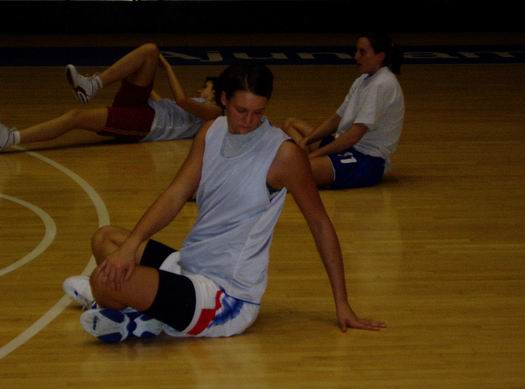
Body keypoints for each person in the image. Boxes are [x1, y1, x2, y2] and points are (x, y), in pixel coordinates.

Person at [63, 62, 386, 343]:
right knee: (106, 239)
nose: (248, 121)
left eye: (258, 112)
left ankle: (127, 308)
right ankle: (146, 316)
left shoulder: (284, 155)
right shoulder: (210, 132)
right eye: (241, 110)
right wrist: (131, 246)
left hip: (224, 297)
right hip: (189, 265)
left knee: (104, 281)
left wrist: (342, 303)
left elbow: (320, 224)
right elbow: (175, 195)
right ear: (223, 100)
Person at [0, 43, 223, 151]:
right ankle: (92, 85)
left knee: (75, 117)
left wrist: (166, 67)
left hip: (145, 123)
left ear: (217, 93)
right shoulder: (201, 105)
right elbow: (166, 103)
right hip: (146, 107)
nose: (200, 91)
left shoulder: (214, 113)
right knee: (150, 51)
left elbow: (182, 100)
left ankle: (11, 138)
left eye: (206, 87)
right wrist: (139, 73)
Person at [282, 32, 405, 189]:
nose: (356, 57)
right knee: (291, 124)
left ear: (380, 56)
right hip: (346, 147)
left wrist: (313, 155)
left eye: (362, 52)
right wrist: (306, 141)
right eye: (357, 51)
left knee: (294, 171)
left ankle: (305, 165)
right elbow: (336, 119)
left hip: (365, 160)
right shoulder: (363, 80)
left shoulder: (382, 84)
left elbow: (353, 136)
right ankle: (307, 162)